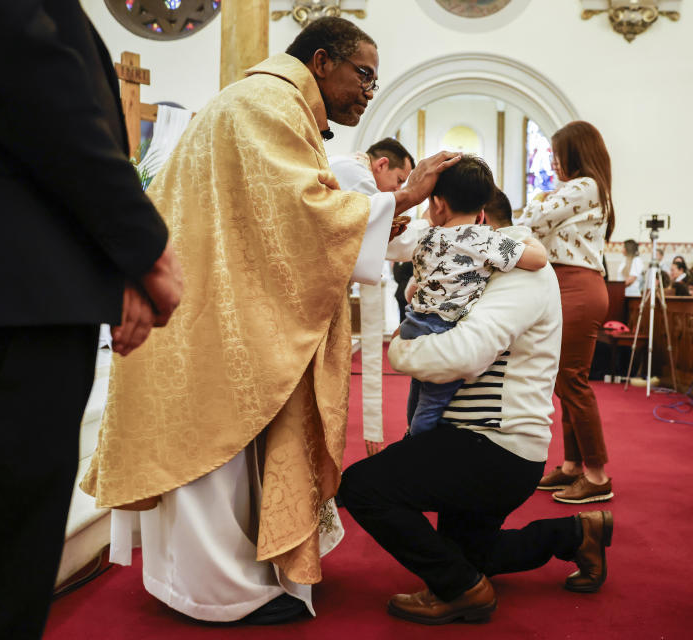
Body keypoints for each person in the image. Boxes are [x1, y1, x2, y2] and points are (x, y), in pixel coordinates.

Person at [80, 17, 460, 625]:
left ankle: (216, 583)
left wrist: (377, 217)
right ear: (319, 61)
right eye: (362, 74)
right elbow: (304, 214)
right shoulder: (267, 103)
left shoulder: (271, 104)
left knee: (223, 457)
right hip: (216, 317)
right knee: (214, 459)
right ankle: (219, 593)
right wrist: (404, 196)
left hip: (224, 305)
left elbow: (286, 215)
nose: (369, 89)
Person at [0, 3, 183, 638]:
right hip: (3, 297)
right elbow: (32, 79)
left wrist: (116, 258)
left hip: (16, 289)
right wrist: (143, 246)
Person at [339, 190, 614, 625]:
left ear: (480, 222)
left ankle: (463, 591)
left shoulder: (520, 274)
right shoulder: (482, 263)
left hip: (495, 446)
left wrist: (401, 350)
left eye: (445, 223)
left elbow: (463, 356)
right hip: (475, 440)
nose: (442, 240)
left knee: (361, 487)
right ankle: (576, 534)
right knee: (472, 552)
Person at [401, 156, 547, 435]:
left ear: (438, 204)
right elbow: (538, 260)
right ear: (482, 210)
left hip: (414, 325)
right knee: (433, 403)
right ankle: (415, 446)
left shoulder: (426, 238)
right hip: (444, 333)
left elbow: (412, 290)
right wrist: (526, 240)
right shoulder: (485, 239)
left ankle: (409, 430)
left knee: (419, 387)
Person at [514, 121, 616, 504]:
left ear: (577, 153)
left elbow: (530, 223)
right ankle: (573, 465)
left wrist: (533, 206)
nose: (554, 162)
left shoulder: (585, 186)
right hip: (564, 285)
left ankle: (597, 473)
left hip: (577, 285)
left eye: (558, 154)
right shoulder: (577, 190)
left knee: (572, 380)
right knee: (563, 379)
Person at [329, 137, 421, 455]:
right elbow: (380, 235)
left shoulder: (354, 172)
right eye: (398, 181)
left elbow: (378, 234)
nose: (396, 189)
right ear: (381, 164)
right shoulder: (354, 173)